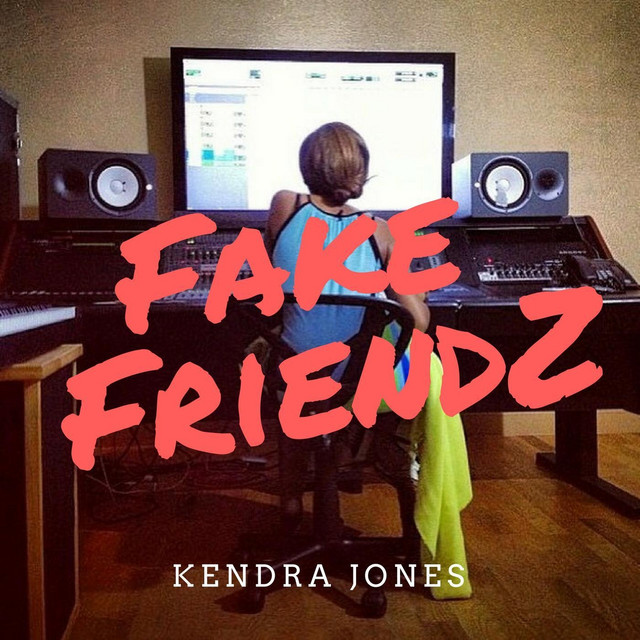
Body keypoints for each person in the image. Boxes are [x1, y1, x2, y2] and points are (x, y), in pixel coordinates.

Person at [264, 122, 429, 545]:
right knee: (374, 369)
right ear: (361, 170)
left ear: (307, 165)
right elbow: (417, 320)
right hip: (351, 376)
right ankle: (341, 470)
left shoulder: (285, 204)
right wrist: (414, 290)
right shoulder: (381, 231)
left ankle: (290, 500)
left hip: (295, 368)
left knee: (280, 360)